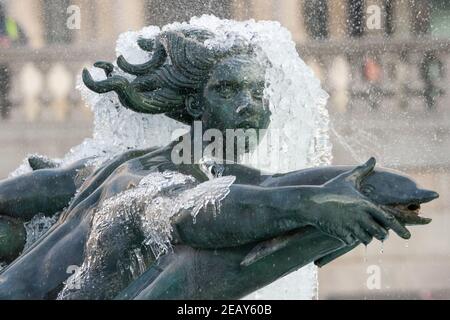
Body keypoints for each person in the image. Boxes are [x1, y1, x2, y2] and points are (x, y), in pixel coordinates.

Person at [0, 28, 416, 299]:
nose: (248, 106)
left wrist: (360, 189)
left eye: (257, 92)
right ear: (197, 104)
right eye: (229, 90)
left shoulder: (120, 164)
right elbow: (196, 215)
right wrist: (311, 208)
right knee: (200, 264)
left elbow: (267, 187)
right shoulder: (149, 176)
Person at [0, 3, 27, 119]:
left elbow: (23, 40)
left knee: (6, 91)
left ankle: (6, 113)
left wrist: (9, 43)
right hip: (6, 66)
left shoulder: (10, 23)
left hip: (7, 66)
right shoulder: (9, 23)